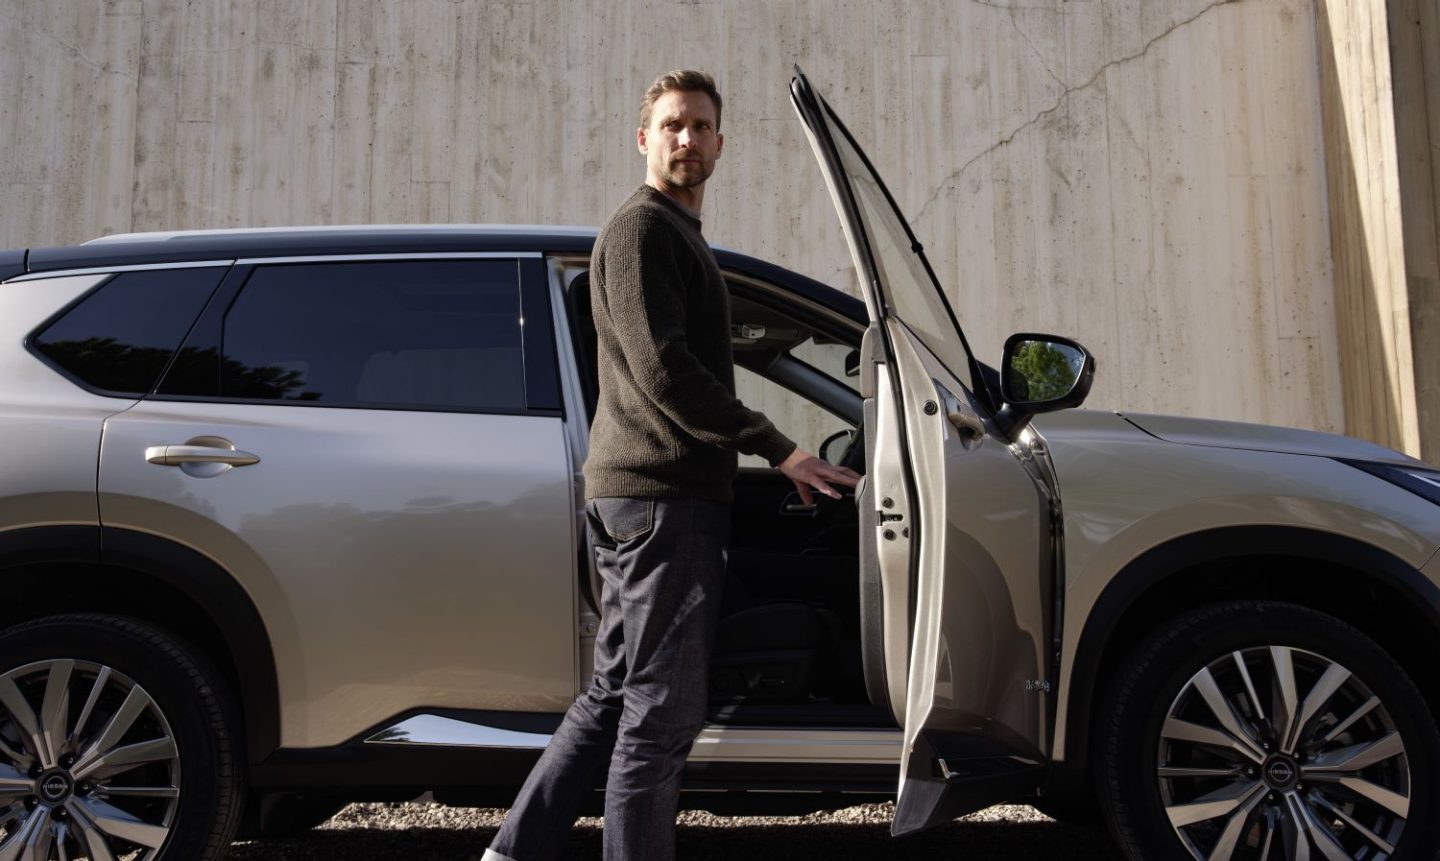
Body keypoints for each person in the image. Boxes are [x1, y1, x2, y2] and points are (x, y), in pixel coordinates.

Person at [481, 70, 860, 861]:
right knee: (658, 715)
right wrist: (776, 445)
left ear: (721, 142)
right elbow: (666, 371)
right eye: (672, 125)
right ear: (643, 138)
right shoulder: (643, 231)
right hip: (661, 500)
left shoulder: (675, 238)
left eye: (699, 126)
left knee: (614, 695)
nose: (686, 139)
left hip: (647, 497)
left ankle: (512, 851)